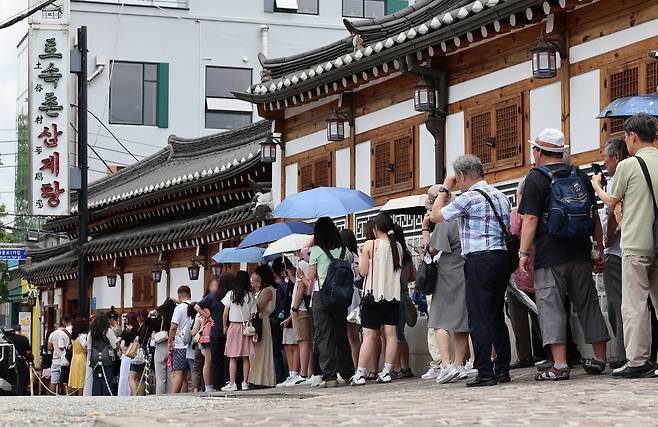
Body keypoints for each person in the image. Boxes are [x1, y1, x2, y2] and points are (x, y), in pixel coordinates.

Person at [519, 128, 609, 381]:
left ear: (538, 152)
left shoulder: (535, 178)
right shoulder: (579, 174)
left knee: (551, 306)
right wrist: (597, 249)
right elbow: (593, 215)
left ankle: (560, 364)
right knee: (588, 303)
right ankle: (600, 358)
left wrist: (523, 253)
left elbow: (530, 218)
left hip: (549, 254)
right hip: (579, 251)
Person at [429, 154, 512, 387]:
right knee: (496, 315)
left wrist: (445, 189)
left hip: (479, 259)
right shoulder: (501, 196)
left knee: (478, 316)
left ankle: (485, 371)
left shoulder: (469, 198)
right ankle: (502, 368)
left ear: (462, 176)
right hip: (502, 257)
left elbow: (436, 216)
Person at [593, 113, 658, 378]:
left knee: (634, 305)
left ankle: (638, 360)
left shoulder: (628, 165)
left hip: (636, 243)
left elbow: (611, 201)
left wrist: (597, 186)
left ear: (632, 137)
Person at [422, 200, 473, 384]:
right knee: (461, 321)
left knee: (439, 319)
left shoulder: (446, 220)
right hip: (466, 270)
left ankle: (445, 365)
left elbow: (432, 250)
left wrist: (425, 230)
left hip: (447, 272)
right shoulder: (466, 217)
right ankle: (459, 365)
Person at [591, 137, 629, 369]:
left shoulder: (616, 180)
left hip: (617, 251)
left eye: (605, 156)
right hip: (636, 247)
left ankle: (624, 353)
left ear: (616, 157)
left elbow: (615, 213)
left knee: (618, 304)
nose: (603, 161)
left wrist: (607, 239)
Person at [350, 213, 402, 386]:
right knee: (391, 334)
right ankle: (386, 371)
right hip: (393, 296)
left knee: (370, 336)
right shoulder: (398, 247)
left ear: (375, 227)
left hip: (373, 295)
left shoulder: (370, 244)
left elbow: (363, 272)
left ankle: (360, 373)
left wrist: (362, 254)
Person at [307, 217, 355, 388]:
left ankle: (330, 376)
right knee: (341, 335)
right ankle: (348, 373)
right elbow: (350, 267)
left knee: (324, 336)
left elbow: (311, 278)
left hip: (322, 297)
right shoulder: (345, 250)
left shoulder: (317, 251)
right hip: (340, 297)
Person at [507, 179, 546, 369]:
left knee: (518, 316)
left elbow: (512, 233)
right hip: (541, 269)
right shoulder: (542, 210)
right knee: (541, 314)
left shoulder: (516, 214)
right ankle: (547, 351)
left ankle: (524, 356)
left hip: (519, 272)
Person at [221, 270, 258, 392]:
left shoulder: (231, 294)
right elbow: (253, 314)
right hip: (246, 327)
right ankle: (245, 382)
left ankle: (232, 383)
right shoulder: (250, 296)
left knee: (233, 356)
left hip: (234, 327)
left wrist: (224, 326)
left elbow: (225, 313)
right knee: (245, 356)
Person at [196, 273, 232, 391]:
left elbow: (196, 306)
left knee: (216, 361)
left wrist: (208, 316)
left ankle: (217, 385)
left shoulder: (212, 296)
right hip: (229, 330)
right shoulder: (231, 295)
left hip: (215, 331)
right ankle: (227, 382)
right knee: (228, 359)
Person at [273, 257, 303, 387]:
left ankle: (295, 373)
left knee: (295, 345)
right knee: (287, 346)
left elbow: (299, 296)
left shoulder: (295, 280)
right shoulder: (289, 283)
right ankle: (291, 374)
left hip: (294, 314)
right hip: (287, 315)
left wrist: (290, 317)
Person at [392, 225, 416, 379]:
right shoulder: (406, 255)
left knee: (395, 335)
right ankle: (405, 367)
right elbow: (413, 276)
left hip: (394, 297)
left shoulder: (392, 254)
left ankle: (398, 367)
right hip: (405, 295)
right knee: (400, 334)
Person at [250, 265, 278, 387]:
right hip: (260, 321)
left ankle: (261, 379)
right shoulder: (263, 290)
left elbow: (257, 307)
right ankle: (256, 378)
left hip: (262, 321)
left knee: (260, 352)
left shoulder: (267, 290)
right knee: (257, 352)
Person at [340, 228, 362, 369]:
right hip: (358, 297)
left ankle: (355, 367)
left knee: (351, 336)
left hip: (346, 297)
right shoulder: (358, 257)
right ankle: (361, 366)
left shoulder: (343, 258)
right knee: (358, 336)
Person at [148, 298, 176, 394]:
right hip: (172, 346)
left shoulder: (159, 318)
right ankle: (169, 397)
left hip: (160, 346)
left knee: (160, 378)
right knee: (170, 377)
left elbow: (148, 325)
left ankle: (159, 397)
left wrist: (150, 315)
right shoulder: (174, 317)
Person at [169, 285, 193, 393]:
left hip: (180, 345)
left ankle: (174, 395)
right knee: (190, 373)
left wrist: (170, 341)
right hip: (192, 344)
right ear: (190, 295)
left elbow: (174, 327)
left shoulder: (179, 308)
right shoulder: (195, 305)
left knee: (178, 372)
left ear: (179, 296)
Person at [89, 313, 117, 396]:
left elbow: (89, 345)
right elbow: (114, 345)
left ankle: (96, 396)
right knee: (107, 380)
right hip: (107, 359)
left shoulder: (91, 332)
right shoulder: (108, 331)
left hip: (95, 359)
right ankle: (106, 397)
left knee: (96, 380)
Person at [48, 314, 72, 395]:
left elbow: (50, 347)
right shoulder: (70, 332)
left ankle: (51, 397)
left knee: (53, 381)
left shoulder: (53, 334)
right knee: (66, 382)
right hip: (66, 360)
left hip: (55, 360)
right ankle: (66, 397)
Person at [6, 327, 32, 396]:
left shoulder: (8, 339)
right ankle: (20, 393)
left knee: (11, 378)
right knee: (22, 378)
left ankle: (12, 392)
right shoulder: (24, 339)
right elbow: (28, 352)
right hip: (21, 360)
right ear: (20, 331)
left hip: (9, 361)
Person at [118, 313, 139, 396]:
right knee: (134, 377)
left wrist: (121, 349)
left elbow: (118, 341)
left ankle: (123, 393)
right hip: (134, 354)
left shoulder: (126, 331)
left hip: (126, 354)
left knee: (124, 376)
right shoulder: (137, 330)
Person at [129, 310, 148, 396]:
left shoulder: (143, 327)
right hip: (144, 353)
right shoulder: (147, 326)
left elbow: (139, 339)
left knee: (131, 377)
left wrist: (132, 331)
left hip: (139, 353)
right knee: (141, 377)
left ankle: (134, 395)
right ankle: (141, 395)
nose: (136, 319)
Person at [68, 318, 88, 395]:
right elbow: (85, 348)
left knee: (74, 378)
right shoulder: (82, 336)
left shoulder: (73, 336)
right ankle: (80, 396)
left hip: (74, 358)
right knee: (81, 379)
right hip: (81, 358)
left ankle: (72, 395)